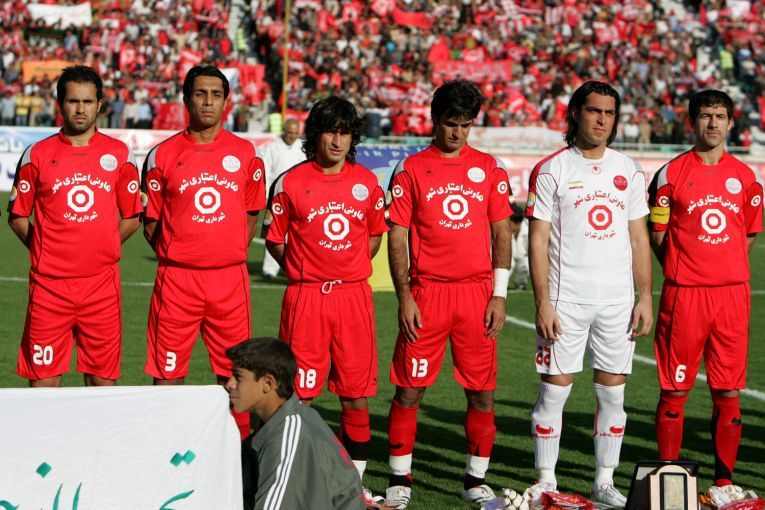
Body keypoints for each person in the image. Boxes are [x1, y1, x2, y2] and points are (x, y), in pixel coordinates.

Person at [384, 79, 513, 508]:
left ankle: (475, 481)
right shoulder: (410, 169)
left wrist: (500, 294)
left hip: (477, 295)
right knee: (409, 389)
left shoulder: (489, 168)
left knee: (481, 392)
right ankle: (399, 477)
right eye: (450, 123)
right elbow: (397, 236)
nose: (457, 132)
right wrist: (405, 297)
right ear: (434, 120)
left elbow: (502, 233)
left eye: (465, 124)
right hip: (428, 294)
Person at [525, 81, 653, 507]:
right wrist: (543, 302)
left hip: (617, 303)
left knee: (613, 395)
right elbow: (537, 240)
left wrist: (645, 296)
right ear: (576, 113)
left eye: (609, 113)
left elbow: (639, 237)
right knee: (554, 391)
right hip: (566, 301)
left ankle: (604, 481)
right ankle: (546, 481)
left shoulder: (629, 169)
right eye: (594, 111)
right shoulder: (552, 169)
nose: (602, 120)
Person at [262, 96, 388, 505]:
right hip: (306, 298)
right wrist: (306, 270)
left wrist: (346, 267)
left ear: (352, 137)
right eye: (330, 131)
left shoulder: (367, 182)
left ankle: (354, 484)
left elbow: (374, 235)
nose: (336, 140)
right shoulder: (290, 183)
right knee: (298, 395)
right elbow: (275, 240)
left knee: (356, 393)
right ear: (315, 134)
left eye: (344, 132)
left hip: (352, 297)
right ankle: (296, 479)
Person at [648, 89, 763, 507]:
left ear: (730, 122)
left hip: (732, 297)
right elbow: (657, 233)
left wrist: (721, 268)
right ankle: (669, 478)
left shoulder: (746, 178)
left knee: (728, 391)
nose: (712, 123)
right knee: (674, 390)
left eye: (719, 116)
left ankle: (724, 481)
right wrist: (685, 268)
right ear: (691, 121)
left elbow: (747, 235)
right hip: (685, 297)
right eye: (705, 115)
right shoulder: (670, 174)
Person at [141, 65, 266, 439]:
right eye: (200, 93)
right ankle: (166, 452)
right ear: (186, 99)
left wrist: (224, 250)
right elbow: (151, 223)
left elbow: (251, 214)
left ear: (227, 102)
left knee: (235, 374)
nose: (208, 101)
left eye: (215, 94)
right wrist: (181, 251)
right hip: (176, 279)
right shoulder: (162, 155)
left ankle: (237, 454)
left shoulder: (245, 153)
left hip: (229, 280)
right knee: (167, 373)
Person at [7, 65, 142, 387]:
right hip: (48, 287)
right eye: (72, 101)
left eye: (87, 101)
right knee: (43, 382)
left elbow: (133, 216)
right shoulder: (37, 154)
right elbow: (17, 215)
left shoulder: (119, 154)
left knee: (101, 382)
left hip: (101, 286)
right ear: (60, 104)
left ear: (99, 105)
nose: (80, 109)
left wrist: (106, 245)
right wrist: (45, 249)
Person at [225, 337, 365, 510]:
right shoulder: (285, 419)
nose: (230, 384)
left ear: (268, 383)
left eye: (238, 377)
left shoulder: (287, 436)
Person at [260, 117, 303, 279]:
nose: (292, 136)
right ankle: (269, 270)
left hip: (298, 197)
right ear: (284, 131)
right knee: (274, 232)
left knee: (297, 234)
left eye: (295, 133)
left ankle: (294, 267)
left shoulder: (302, 147)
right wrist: (266, 195)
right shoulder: (273, 147)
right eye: (290, 132)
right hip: (277, 196)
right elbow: (266, 171)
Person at [509, 203, 530, 289]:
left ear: (517, 223)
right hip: (508, 257)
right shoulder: (504, 228)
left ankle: (520, 284)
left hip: (523, 256)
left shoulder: (529, 229)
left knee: (526, 265)